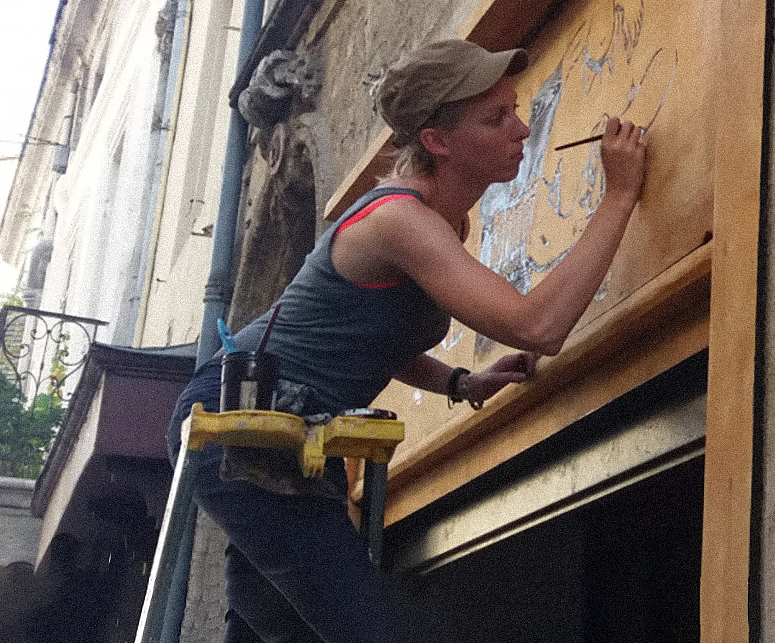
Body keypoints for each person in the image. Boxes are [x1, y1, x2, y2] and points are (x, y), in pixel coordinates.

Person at [167, 38, 648, 643]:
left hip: (293, 431)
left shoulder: (444, 221)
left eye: (515, 109)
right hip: (248, 420)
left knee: (280, 636)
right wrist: (621, 195)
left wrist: (459, 381)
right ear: (437, 142)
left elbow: (369, 336)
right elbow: (538, 328)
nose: (520, 128)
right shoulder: (402, 221)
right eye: (495, 118)